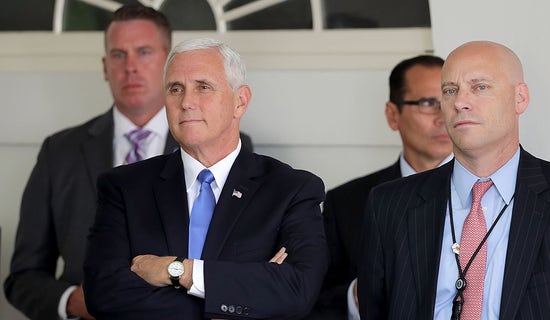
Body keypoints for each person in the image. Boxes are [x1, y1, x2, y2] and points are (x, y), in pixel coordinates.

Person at [3, 5, 253, 320]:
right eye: (119, 55)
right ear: (105, 67)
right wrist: (75, 301)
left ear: (168, 64)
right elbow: (23, 277)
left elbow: (240, 269)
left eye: (144, 52)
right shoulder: (60, 152)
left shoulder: (223, 144)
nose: (130, 67)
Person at [358, 41, 550, 319]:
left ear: (520, 98)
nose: (460, 102)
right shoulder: (388, 205)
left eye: (480, 87)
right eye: (450, 90)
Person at [82, 37, 328, 319]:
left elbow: (298, 291)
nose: (186, 102)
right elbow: (103, 294)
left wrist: (177, 271)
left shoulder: (291, 190)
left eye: (203, 87)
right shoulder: (123, 187)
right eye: (176, 89)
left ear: (240, 101)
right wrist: (242, 298)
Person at [311, 55, 452, 318]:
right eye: (428, 103)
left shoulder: (491, 192)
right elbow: (314, 299)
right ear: (392, 115)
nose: (443, 116)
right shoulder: (346, 203)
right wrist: (358, 295)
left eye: (449, 99)